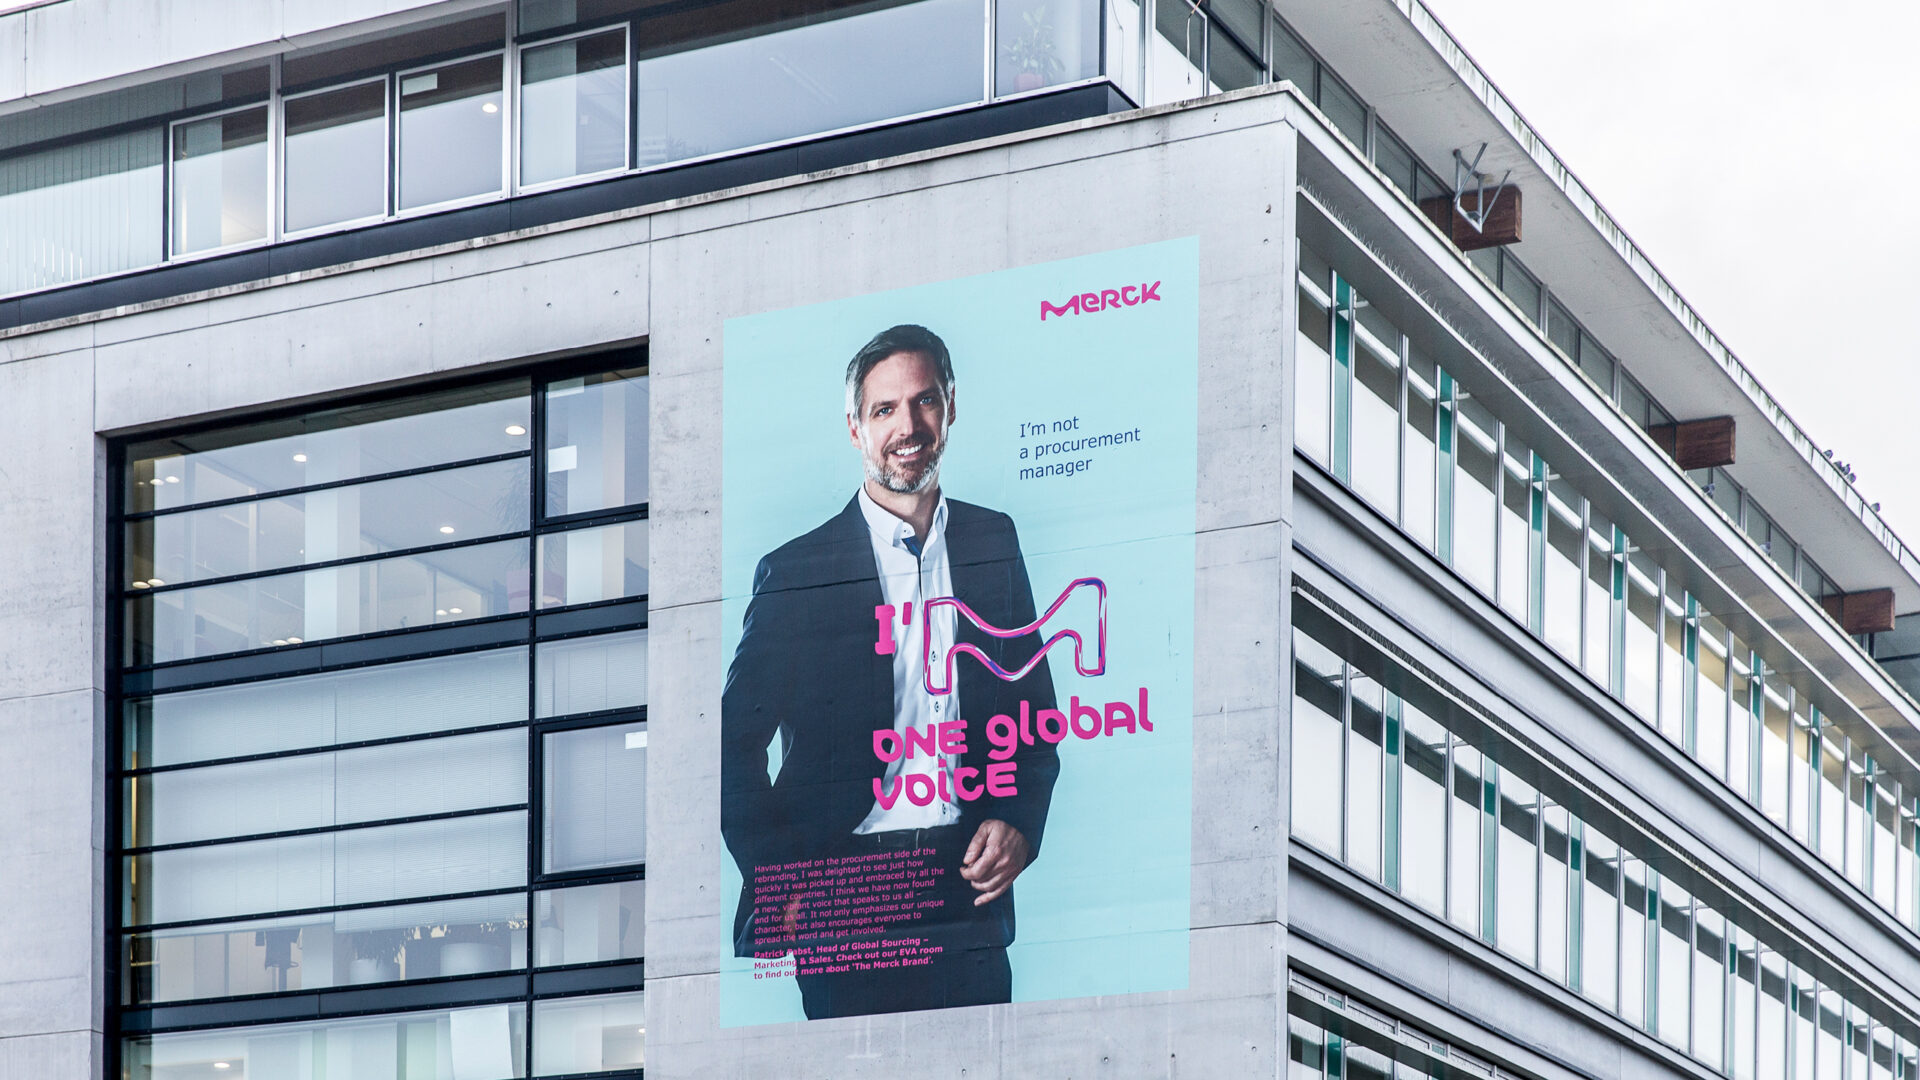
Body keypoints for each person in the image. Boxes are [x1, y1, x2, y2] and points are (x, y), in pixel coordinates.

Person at [721, 324, 1061, 1019]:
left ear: (950, 407)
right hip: (847, 887)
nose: (908, 426)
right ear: (855, 429)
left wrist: (1020, 820)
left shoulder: (994, 538)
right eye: (884, 410)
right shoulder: (796, 571)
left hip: (964, 885)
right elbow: (731, 743)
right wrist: (780, 876)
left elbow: (1035, 708)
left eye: (924, 401)